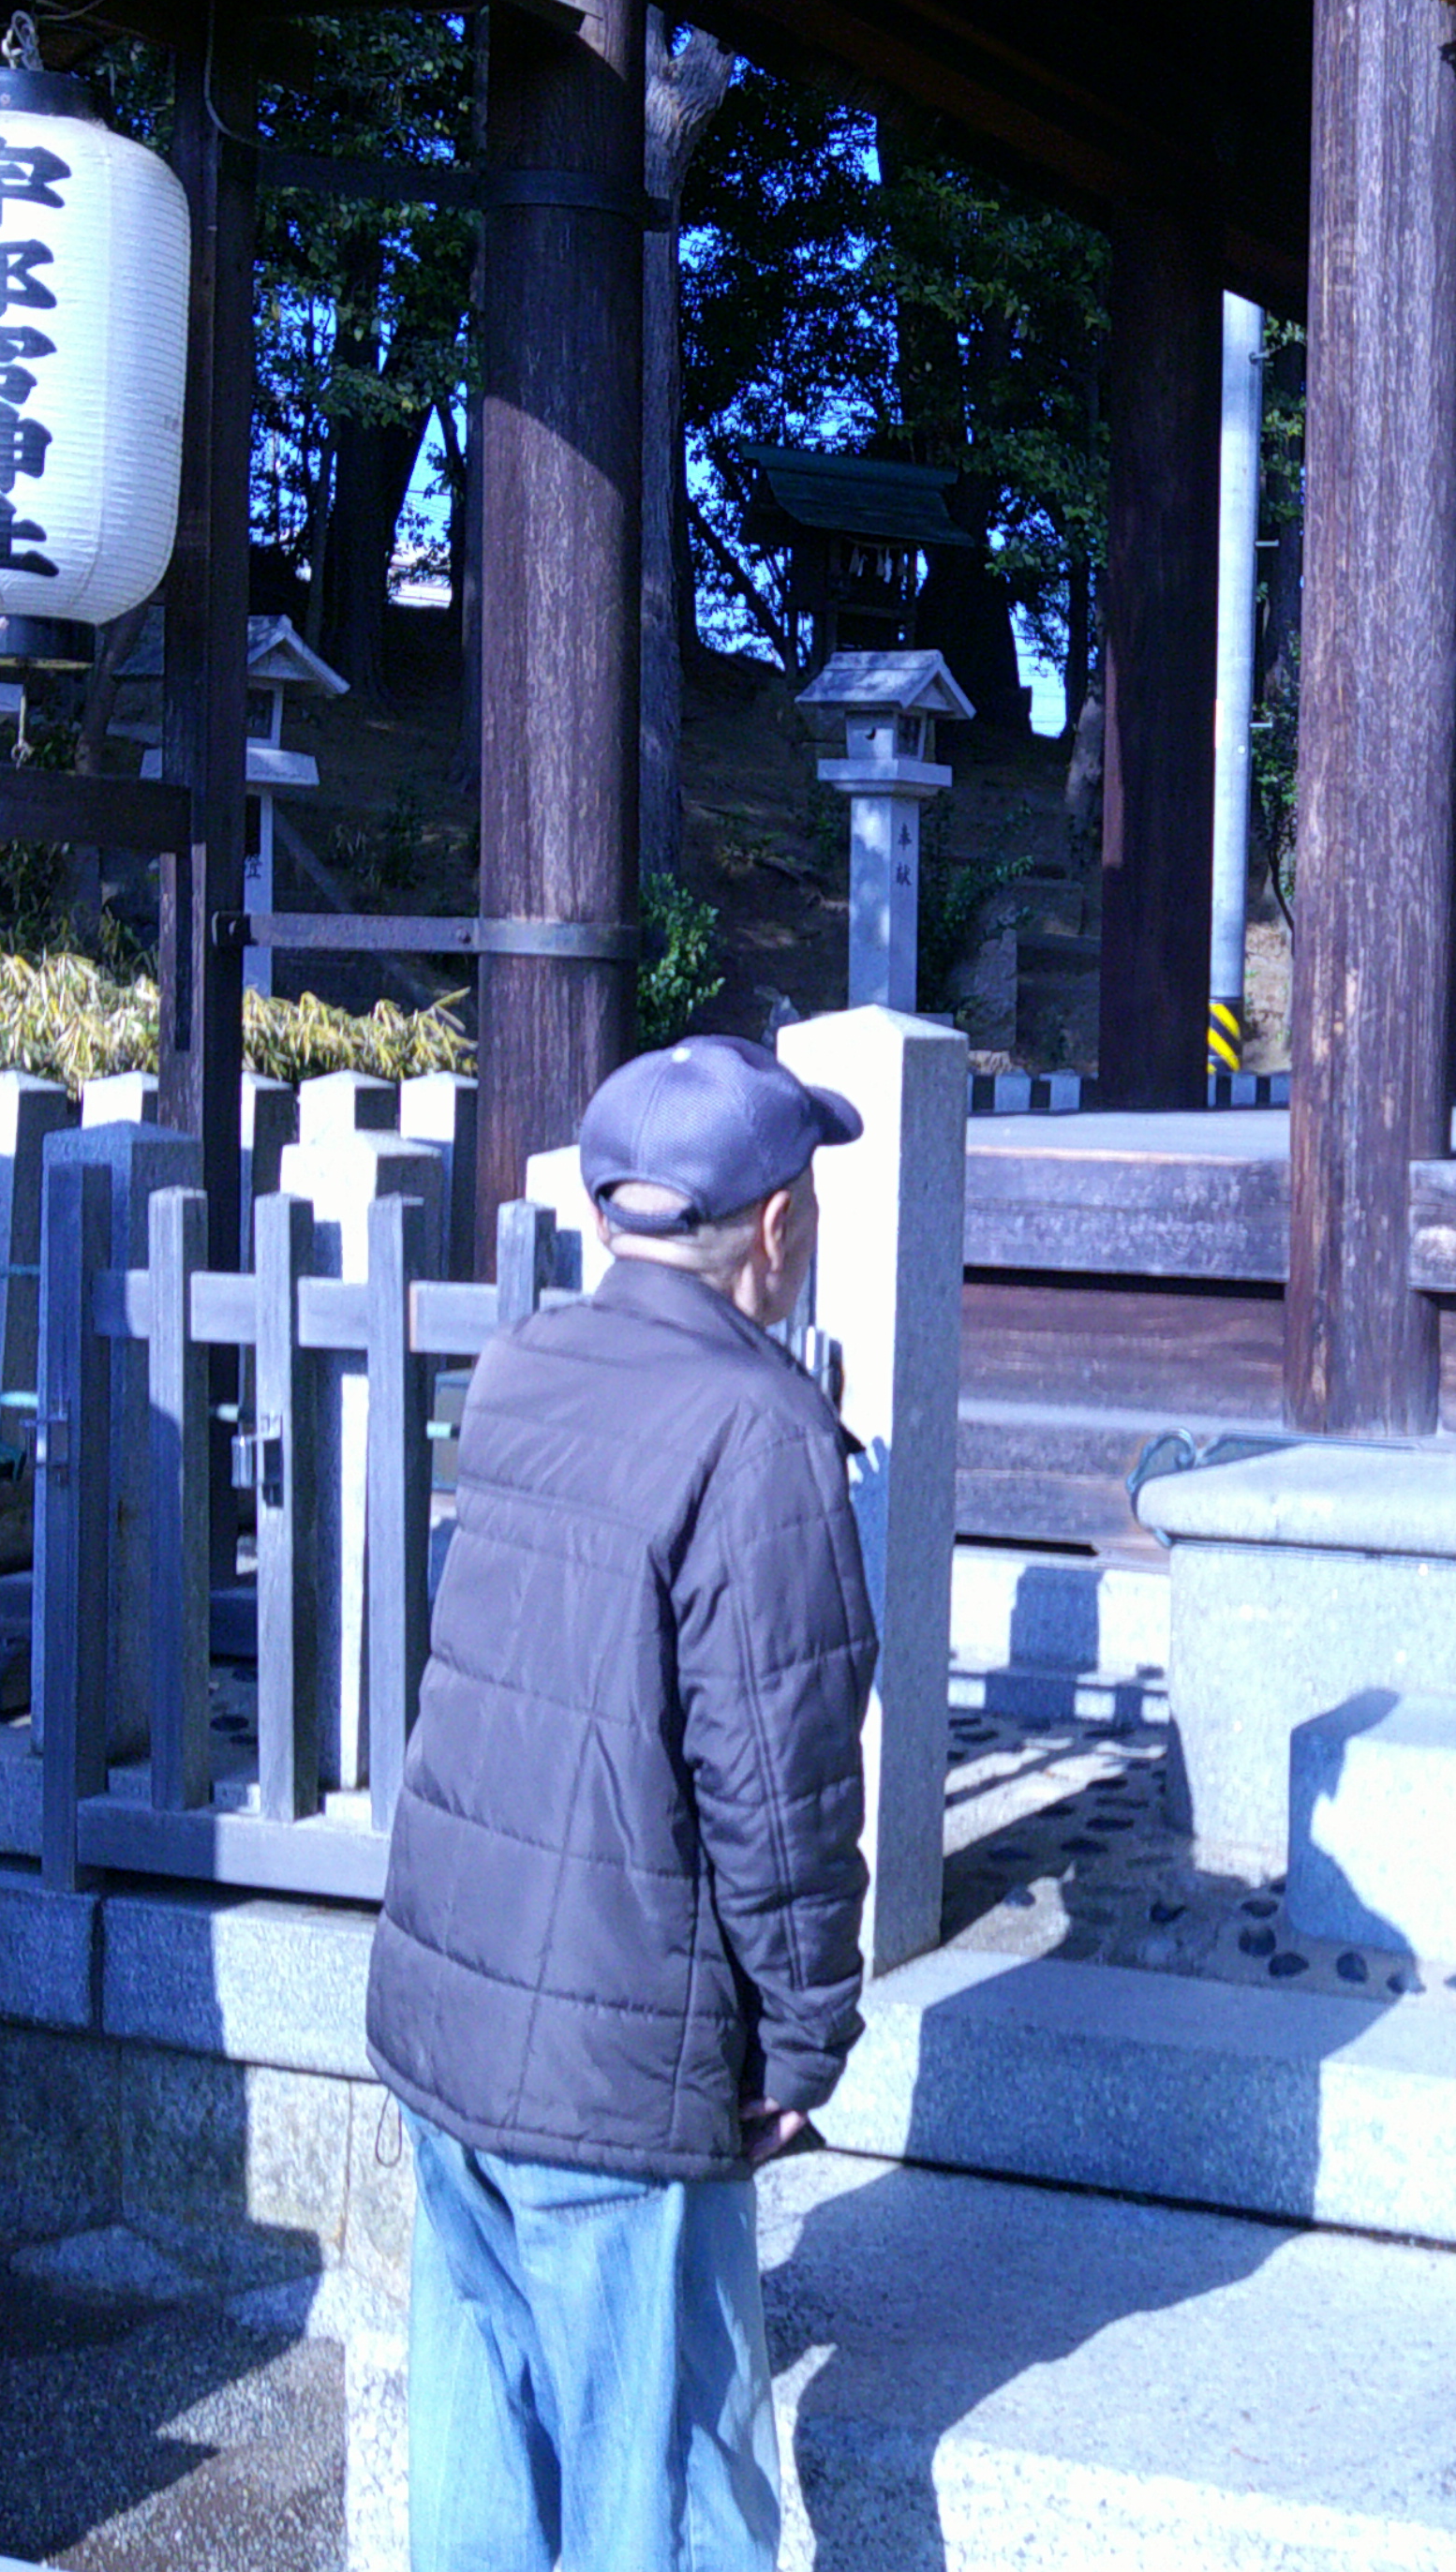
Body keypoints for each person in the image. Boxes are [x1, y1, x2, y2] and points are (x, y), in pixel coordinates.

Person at [366, 1033, 877, 2572]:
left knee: (484, 2455)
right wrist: (804, 2039)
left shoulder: (523, 1365)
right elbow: (777, 1782)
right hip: (617, 2052)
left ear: (610, 1215)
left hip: (446, 2014)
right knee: (662, 2486)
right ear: (777, 1227)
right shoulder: (760, 1429)